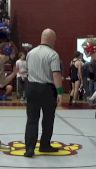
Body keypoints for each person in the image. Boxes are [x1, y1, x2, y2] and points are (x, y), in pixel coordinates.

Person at [23, 28, 63, 157]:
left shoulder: (30, 53)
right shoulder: (53, 54)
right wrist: (60, 92)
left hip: (31, 88)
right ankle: (45, 145)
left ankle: (29, 148)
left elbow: (27, 71)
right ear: (52, 39)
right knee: (48, 119)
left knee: (32, 119)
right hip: (47, 90)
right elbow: (56, 74)